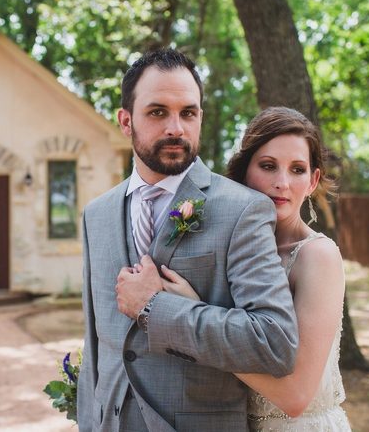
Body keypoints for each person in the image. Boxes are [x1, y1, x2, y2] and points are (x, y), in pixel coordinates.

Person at [77, 48, 300, 432]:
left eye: (189, 113)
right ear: (126, 121)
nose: (176, 128)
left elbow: (274, 343)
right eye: (157, 112)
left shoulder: (242, 210)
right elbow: (96, 346)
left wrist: (154, 308)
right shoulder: (95, 215)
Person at [163, 106, 351, 430]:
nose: (282, 183)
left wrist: (191, 312)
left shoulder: (317, 257)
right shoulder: (227, 248)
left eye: (297, 170)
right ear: (244, 171)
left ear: (313, 180)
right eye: (268, 166)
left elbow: (295, 396)